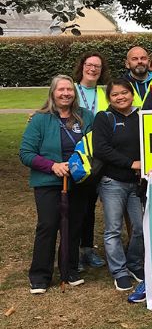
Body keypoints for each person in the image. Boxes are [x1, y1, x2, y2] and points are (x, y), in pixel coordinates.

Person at [19, 75, 94, 293]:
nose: (65, 94)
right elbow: (26, 153)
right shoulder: (40, 119)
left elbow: (95, 146)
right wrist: (53, 166)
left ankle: (69, 269)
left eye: (69, 90)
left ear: (75, 93)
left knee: (73, 226)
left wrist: (77, 165)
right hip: (49, 182)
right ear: (52, 93)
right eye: (61, 90)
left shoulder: (86, 116)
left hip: (78, 180)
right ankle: (40, 275)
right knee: (48, 225)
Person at [92, 79, 144, 292]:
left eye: (125, 93)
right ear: (109, 99)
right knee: (113, 229)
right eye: (115, 95)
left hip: (137, 183)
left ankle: (134, 264)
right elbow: (101, 149)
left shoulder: (142, 116)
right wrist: (130, 163)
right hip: (112, 182)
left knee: (140, 228)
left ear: (132, 94)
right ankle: (119, 271)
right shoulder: (104, 118)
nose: (121, 97)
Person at [72, 52, 109, 271]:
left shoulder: (104, 93)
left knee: (90, 205)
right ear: (82, 66)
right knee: (76, 206)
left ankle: (87, 249)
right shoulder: (72, 89)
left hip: (98, 155)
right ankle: (73, 251)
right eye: (89, 65)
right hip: (77, 154)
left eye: (97, 66)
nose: (93, 69)